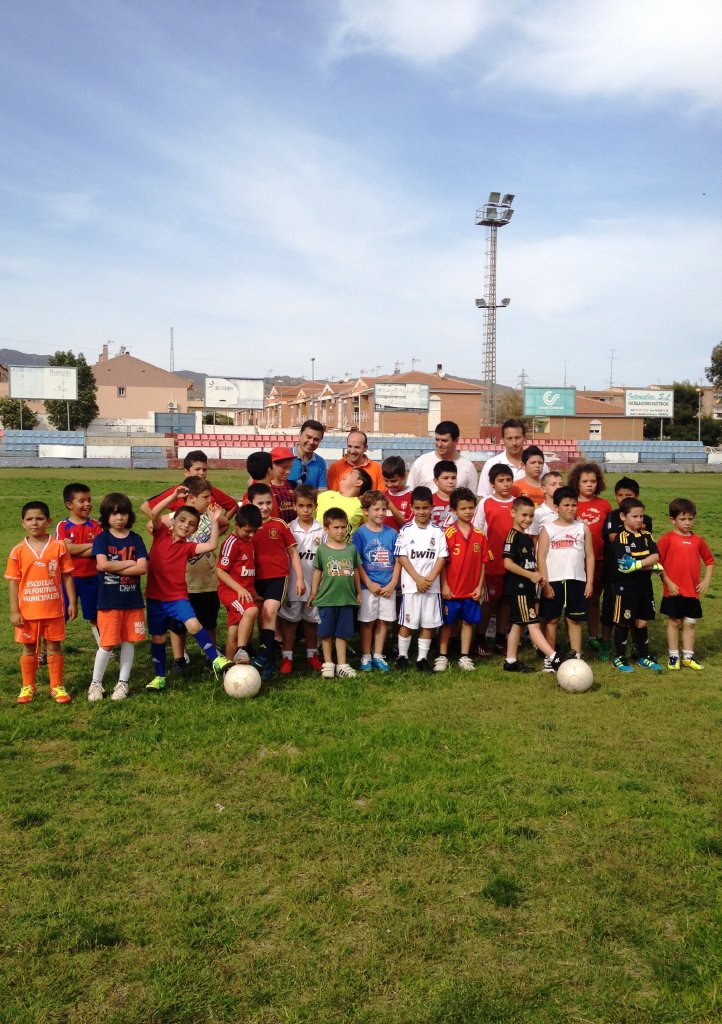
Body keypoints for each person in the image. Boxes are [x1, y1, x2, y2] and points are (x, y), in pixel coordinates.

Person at [144, 486, 231, 691]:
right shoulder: (160, 534)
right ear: (173, 521)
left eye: (191, 524)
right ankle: (160, 676)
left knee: (193, 625)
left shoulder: (188, 547)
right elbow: (152, 513)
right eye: (182, 521)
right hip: (155, 598)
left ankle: (215, 659)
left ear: (194, 530)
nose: (185, 526)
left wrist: (214, 521)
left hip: (176, 597)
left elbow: (211, 545)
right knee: (158, 638)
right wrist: (173, 497)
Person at [6, 501, 75, 704]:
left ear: (48, 521)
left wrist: (72, 602)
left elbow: (67, 576)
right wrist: (14, 611)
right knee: (29, 648)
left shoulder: (59, 547)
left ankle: (57, 686)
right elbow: (13, 582)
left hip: (53, 610)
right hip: (28, 612)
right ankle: (28, 686)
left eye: (39, 518)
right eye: (29, 519)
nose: (34, 523)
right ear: (22, 523)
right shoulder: (17, 551)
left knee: (54, 646)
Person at [89, 493, 148, 701]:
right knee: (106, 643)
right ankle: (95, 683)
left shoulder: (136, 539)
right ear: (106, 516)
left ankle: (123, 682)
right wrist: (130, 563)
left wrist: (114, 567)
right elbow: (102, 564)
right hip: (109, 601)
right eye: (114, 514)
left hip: (132, 602)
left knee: (129, 642)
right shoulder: (102, 538)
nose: (119, 518)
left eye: (123, 513)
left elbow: (142, 568)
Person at [162, 477, 221, 677]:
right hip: (181, 585)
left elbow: (223, 524)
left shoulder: (210, 516)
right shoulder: (176, 518)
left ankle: (210, 659)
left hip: (207, 582)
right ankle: (179, 659)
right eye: (206, 497)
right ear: (192, 498)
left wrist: (215, 521)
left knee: (209, 622)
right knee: (178, 625)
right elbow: (153, 525)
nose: (209, 500)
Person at [502, 495, 565, 673]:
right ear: (513, 513)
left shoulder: (527, 538)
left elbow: (528, 563)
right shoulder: (512, 536)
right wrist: (530, 575)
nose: (528, 519)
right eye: (524, 515)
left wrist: (537, 574)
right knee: (533, 624)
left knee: (518, 624)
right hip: (519, 588)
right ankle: (553, 657)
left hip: (528, 588)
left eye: (531, 516)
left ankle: (510, 661)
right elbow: (508, 564)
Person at [249, 482, 304, 678]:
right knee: (261, 617)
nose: (265, 507)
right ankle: (268, 656)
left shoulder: (279, 524)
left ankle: (263, 657)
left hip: (278, 577)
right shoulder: (247, 526)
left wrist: (300, 578)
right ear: (250, 503)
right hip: (254, 578)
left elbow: (293, 552)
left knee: (270, 610)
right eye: (260, 503)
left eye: (268, 502)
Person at [537, 486, 595, 664]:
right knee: (552, 620)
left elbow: (590, 556)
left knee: (574, 620)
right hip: (554, 581)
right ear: (556, 507)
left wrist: (589, 582)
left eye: (574, 505)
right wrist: (545, 583)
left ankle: (576, 657)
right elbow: (541, 557)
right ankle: (550, 658)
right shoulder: (547, 529)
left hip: (577, 580)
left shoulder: (583, 528)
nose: (571, 509)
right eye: (566, 505)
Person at [394, 486, 448, 673]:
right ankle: (402, 656)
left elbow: (442, 557)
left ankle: (422, 658)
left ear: (432, 508)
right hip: (411, 585)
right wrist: (417, 579)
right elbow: (402, 556)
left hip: (431, 587)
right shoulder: (406, 530)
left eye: (425, 508)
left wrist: (429, 579)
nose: (421, 512)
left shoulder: (437, 531)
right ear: (411, 508)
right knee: (408, 622)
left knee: (428, 623)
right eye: (417, 508)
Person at [600, 477, 653, 662]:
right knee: (610, 609)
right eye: (620, 495)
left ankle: (638, 646)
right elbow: (614, 538)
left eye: (628, 495)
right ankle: (605, 643)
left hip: (638, 575)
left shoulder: (645, 519)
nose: (623, 498)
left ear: (636, 496)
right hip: (614, 573)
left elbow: (646, 541)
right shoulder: (612, 516)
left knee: (635, 611)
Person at [435, 487, 489, 672]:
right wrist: (444, 585)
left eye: (471, 508)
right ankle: (442, 656)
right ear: (454, 510)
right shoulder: (448, 533)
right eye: (463, 508)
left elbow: (483, 562)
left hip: (471, 590)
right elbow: (443, 562)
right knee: (447, 623)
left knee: (468, 622)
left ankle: (464, 656)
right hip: (452, 590)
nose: (467, 512)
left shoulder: (480, 535)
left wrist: (480, 586)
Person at [657, 498, 715, 671]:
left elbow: (710, 560)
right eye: (683, 519)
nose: (687, 522)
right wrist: (668, 582)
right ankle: (673, 656)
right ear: (672, 520)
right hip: (673, 591)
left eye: (690, 518)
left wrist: (706, 580)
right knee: (674, 622)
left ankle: (688, 657)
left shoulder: (698, 540)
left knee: (690, 622)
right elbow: (657, 564)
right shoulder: (667, 539)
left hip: (692, 591)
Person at [608, 496, 661, 673]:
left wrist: (638, 564)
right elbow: (625, 564)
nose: (639, 520)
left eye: (641, 516)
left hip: (644, 587)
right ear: (623, 517)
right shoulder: (621, 538)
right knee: (623, 622)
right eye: (635, 516)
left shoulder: (647, 535)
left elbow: (656, 556)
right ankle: (619, 657)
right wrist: (647, 565)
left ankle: (643, 656)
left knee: (642, 622)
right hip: (626, 588)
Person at [309, 507, 362, 679]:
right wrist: (313, 593)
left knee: (342, 633)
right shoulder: (322, 550)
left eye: (343, 527)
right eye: (336, 527)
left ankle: (342, 664)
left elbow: (355, 571)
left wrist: (359, 592)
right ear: (326, 529)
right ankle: (328, 663)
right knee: (326, 633)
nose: (340, 531)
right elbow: (317, 572)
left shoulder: (351, 549)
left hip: (346, 599)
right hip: (327, 599)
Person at [278, 484, 325, 674]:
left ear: (315, 506)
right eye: (301, 506)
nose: (305, 510)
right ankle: (287, 656)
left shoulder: (322, 530)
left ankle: (312, 654)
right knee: (290, 621)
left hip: (315, 585)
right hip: (293, 585)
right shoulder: (289, 528)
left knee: (312, 621)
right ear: (294, 506)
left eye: (309, 506)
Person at [352, 490, 400, 673]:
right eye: (376, 509)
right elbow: (357, 562)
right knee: (367, 622)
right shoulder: (360, 534)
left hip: (388, 586)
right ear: (366, 511)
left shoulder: (392, 533)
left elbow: (399, 560)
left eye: (383, 509)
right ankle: (366, 655)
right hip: (368, 586)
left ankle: (378, 655)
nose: (381, 513)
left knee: (383, 621)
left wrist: (393, 584)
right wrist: (369, 583)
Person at [568, 461, 612, 652]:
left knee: (594, 599)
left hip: (600, 560)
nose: (589, 485)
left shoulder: (604, 505)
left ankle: (593, 636)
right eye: (585, 481)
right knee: (573, 600)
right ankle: (571, 638)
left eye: (593, 481)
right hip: (575, 560)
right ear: (576, 482)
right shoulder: (571, 503)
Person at [473, 464, 515, 654]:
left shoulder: (517, 503)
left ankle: (500, 638)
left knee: (506, 601)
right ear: (492, 484)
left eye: (508, 480)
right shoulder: (485, 503)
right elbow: (477, 530)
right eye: (501, 481)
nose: (505, 484)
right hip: (492, 563)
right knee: (490, 602)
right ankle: (479, 639)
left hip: (513, 563)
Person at [55, 482, 102, 646]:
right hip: (69, 578)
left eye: (89, 500)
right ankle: (50, 649)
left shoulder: (95, 525)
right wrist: (90, 546)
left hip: (93, 578)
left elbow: (100, 549)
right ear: (69, 504)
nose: (87, 504)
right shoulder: (63, 526)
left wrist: (73, 548)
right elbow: (62, 549)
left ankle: (104, 649)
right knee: (61, 614)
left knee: (95, 616)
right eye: (82, 501)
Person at [216, 504, 262, 665]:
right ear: (236, 525)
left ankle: (229, 666)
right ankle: (242, 649)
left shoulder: (248, 541)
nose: (251, 535)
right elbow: (220, 571)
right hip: (230, 592)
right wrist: (240, 589)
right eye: (248, 531)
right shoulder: (231, 543)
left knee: (234, 630)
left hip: (244, 592)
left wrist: (253, 592)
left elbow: (247, 571)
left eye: (255, 531)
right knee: (251, 611)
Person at [140, 450, 237, 523]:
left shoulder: (211, 491)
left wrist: (214, 529)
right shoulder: (177, 492)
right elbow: (146, 507)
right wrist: (162, 529)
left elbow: (233, 506)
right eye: (197, 469)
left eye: (204, 469)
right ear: (186, 472)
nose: (201, 473)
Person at [478, 419, 548, 498]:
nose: (514, 443)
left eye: (517, 437)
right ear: (503, 440)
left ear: (524, 438)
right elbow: (484, 496)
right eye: (509, 438)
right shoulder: (491, 464)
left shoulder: (540, 465)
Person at [406, 421, 478, 493]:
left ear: (456, 441)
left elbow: (471, 497)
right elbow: (409, 493)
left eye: (444, 440)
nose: (439, 444)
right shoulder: (420, 462)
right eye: (437, 440)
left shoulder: (468, 466)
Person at [315, 467, 372, 541]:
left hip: (343, 547)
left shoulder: (361, 505)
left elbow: (368, 531)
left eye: (351, 473)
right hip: (316, 546)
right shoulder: (326, 495)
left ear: (359, 482)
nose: (345, 473)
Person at [528, 470, 564, 548]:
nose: (558, 487)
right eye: (553, 484)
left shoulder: (567, 510)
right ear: (543, 489)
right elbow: (533, 539)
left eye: (561, 484)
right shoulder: (538, 513)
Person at [288, 420, 327, 489]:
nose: (311, 442)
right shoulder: (285, 457)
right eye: (308, 437)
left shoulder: (320, 463)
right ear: (300, 435)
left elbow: (321, 491)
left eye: (316, 439)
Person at [382, 455, 413, 532]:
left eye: (393, 481)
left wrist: (390, 504)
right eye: (386, 480)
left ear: (404, 477)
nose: (389, 485)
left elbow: (407, 526)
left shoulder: (412, 497)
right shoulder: (382, 495)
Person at [269, 446, 296, 523]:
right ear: (272, 465)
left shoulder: (293, 485)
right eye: (284, 467)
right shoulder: (266, 488)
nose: (288, 471)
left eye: (290, 467)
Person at [431, 460, 458, 529]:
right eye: (446, 478)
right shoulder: (429, 500)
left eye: (453, 478)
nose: (450, 481)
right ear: (436, 481)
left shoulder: (461, 501)